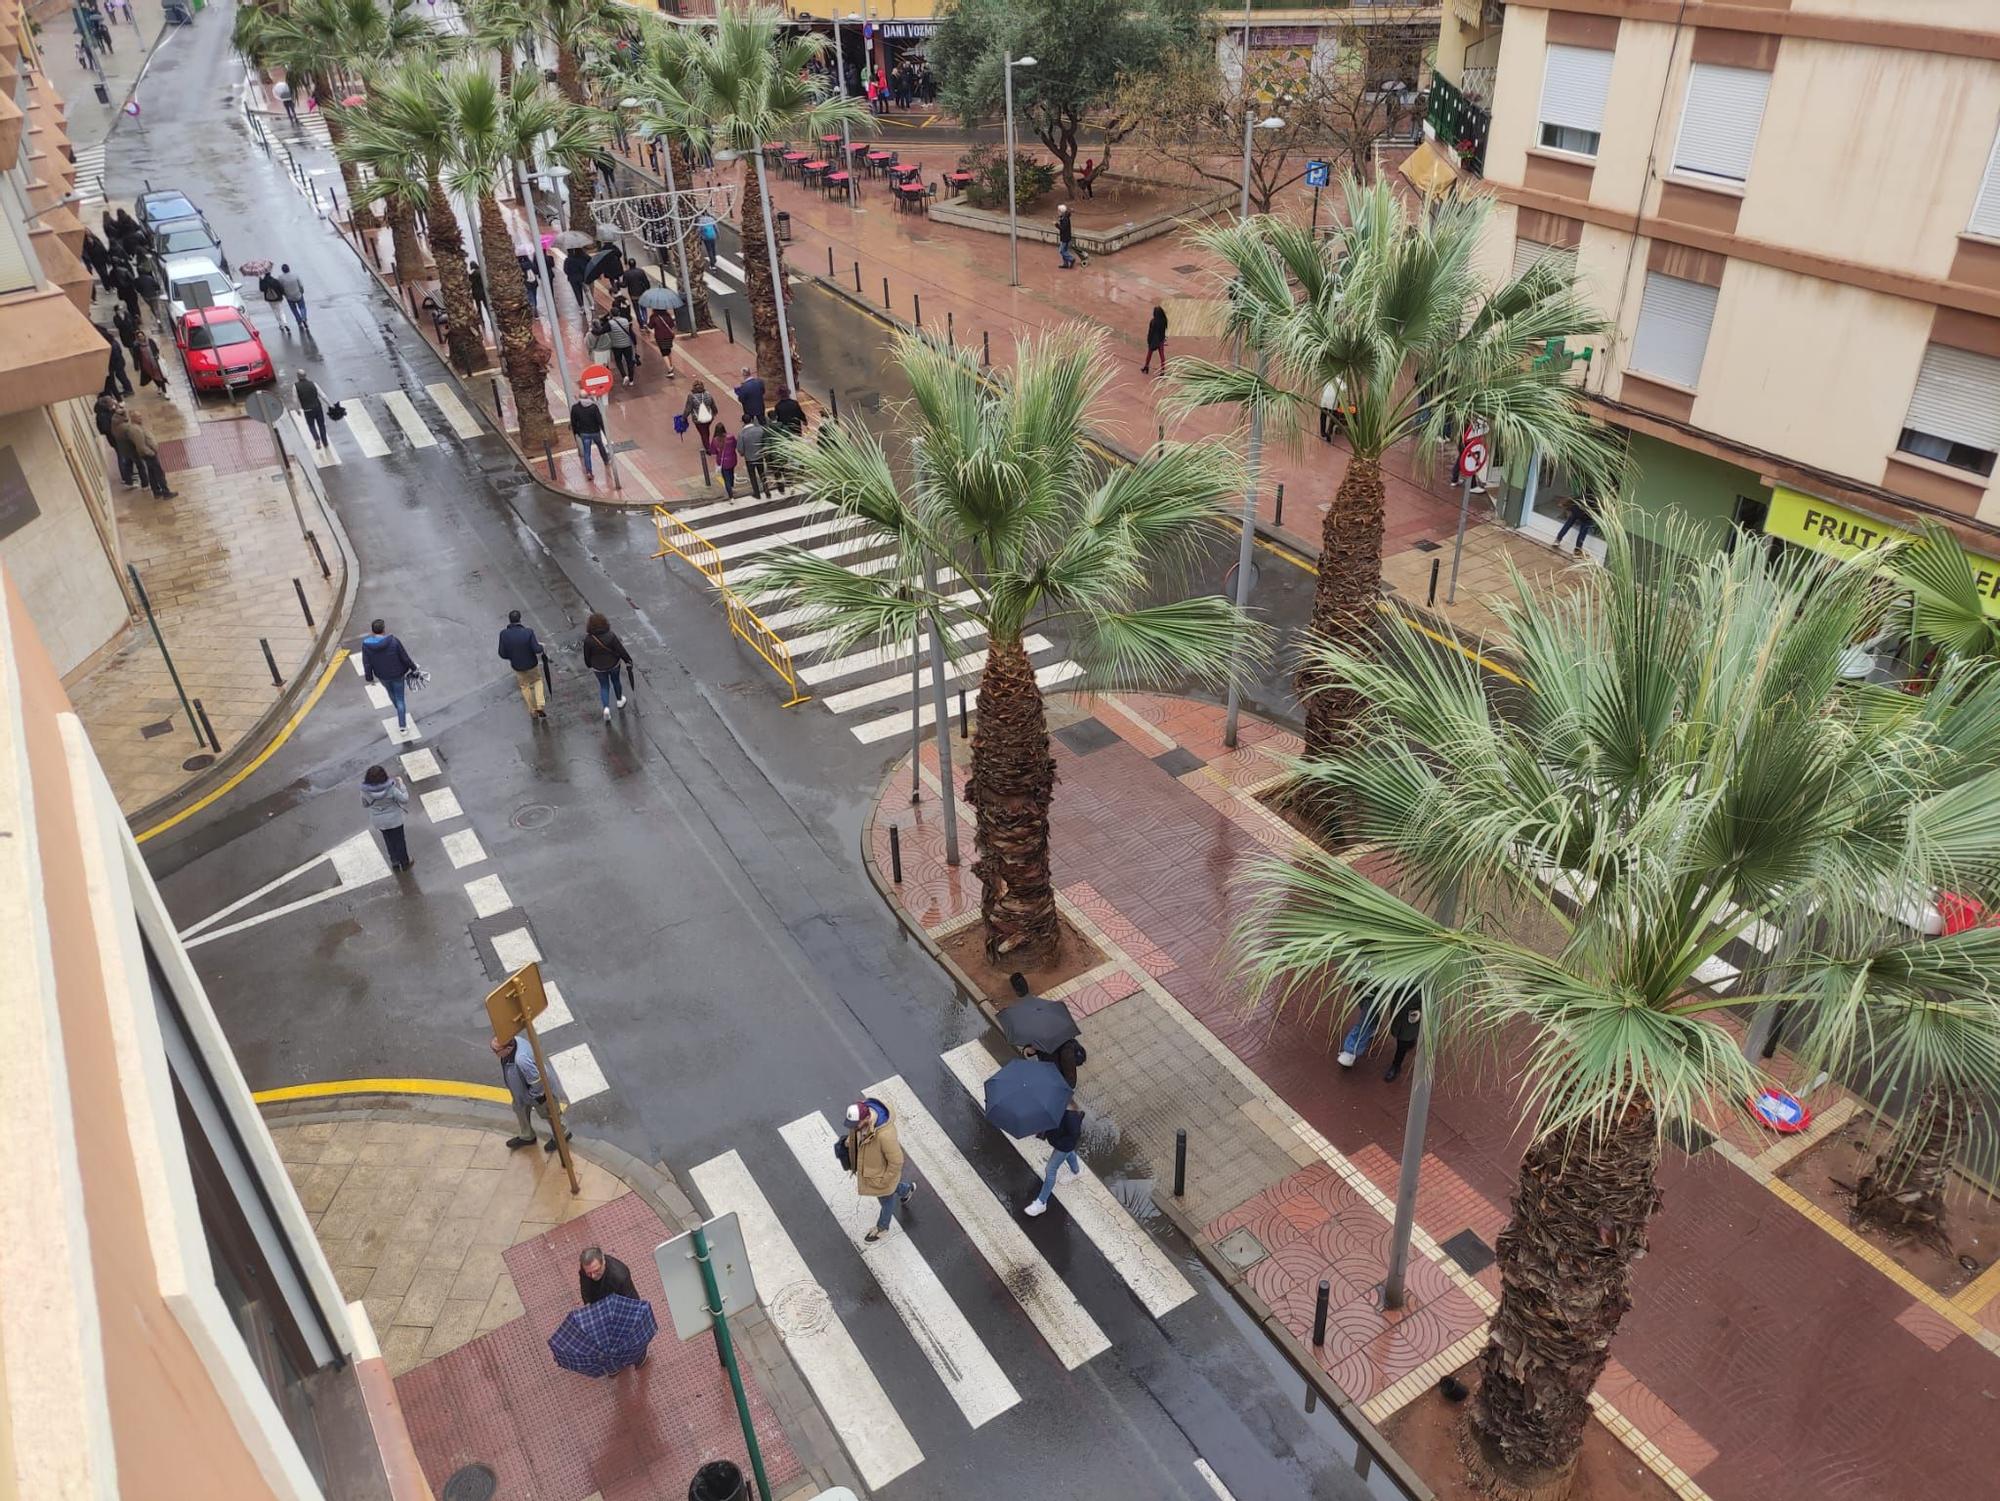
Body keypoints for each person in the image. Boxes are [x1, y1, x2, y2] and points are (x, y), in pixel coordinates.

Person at [842, 1097, 915, 1241]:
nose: (853, 1127)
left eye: (856, 1124)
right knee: (891, 1191)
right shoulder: (862, 1123)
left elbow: (897, 1161)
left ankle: (882, 1228)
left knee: (886, 1200)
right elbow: (859, 1136)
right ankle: (907, 1189)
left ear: (867, 1118)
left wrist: (884, 1180)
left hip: (881, 1176)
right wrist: (850, 1142)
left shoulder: (885, 1135)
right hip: (873, 1172)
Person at [493, 1033, 562, 1153]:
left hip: (538, 1095)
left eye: (496, 1051)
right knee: (520, 1110)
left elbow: (537, 1082)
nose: (495, 1053)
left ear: (508, 1049)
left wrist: (531, 1096)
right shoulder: (516, 1041)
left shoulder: (521, 1060)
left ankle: (562, 1134)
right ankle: (527, 1135)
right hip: (521, 1093)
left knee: (549, 1114)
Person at [359, 618, 420, 731]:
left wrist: (370, 678)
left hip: (382, 676)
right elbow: (404, 657)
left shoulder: (366, 645)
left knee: (391, 693)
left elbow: (367, 663)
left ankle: (399, 710)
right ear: (384, 630)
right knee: (400, 698)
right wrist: (414, 668)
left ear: (372, 631)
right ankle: (402, 726)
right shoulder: (393, 641)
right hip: (398, 674)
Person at [1024, 1104, 1085, 1217]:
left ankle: (1041, 1202)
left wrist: (1059, 1143)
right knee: (1069, 1153)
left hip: (1063, 1146)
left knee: (1050, 1169)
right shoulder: (1058, 1105)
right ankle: (1076, 1171)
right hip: (1062, 1145)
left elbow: (1074, 1134)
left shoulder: (1071, 1114)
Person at [499, 609, 549, 721]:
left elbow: (502, 653)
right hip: (531, 664)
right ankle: (540, 704)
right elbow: (536, 649)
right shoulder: (528, 632)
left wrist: (512, 657)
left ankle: (532, 710)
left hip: (517, 666)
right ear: (520, 619)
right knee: (537, 681)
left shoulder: (503, 634)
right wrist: (542, 646)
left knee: (524, 686)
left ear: (510, 620)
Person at [360, 765, 413, 871]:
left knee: (388, 840)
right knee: (399, 841)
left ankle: (395, 861)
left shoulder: (364, 791)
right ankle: (404, 862)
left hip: (379, 821)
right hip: (395, 820)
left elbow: (365, 804)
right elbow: (404, 799)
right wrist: (402, 785)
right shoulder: (391, 788)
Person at [114, 405, 175, 497]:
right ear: (133, 419)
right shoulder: (135, 430)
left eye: (140, 416)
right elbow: (141, 445)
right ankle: (166, 492)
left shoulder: (137, 427)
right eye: (138, 417)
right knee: (159, 473)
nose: (141, 418)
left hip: (148, 454)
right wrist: (151, 453)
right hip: (148, 455)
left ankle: (156, 491)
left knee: (152, 473)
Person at [582, 611, 632, 719]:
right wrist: (628, 660)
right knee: (616, 681)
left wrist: (589, 664)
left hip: (598, 667)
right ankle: (619, 701)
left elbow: (587, 655)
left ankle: (606, 708)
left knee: (604, 686)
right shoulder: (610, 635)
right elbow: (620, 650)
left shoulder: (588, 640)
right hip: (613, 664)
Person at [1382, 992, 1423, 1083]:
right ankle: (1410, 1039)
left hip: (1416, 999)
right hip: (1400, 996)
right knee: (1399, 1028)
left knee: (1406, 1034)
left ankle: (1396, 1064)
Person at [96, 392, 134, 486]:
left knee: (124, 455)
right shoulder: (104, 415)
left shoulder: (106, 413)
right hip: (115, 438)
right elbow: (105, 429)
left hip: (115, 437)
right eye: (111, 402)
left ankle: (129, 475)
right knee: (122, 456)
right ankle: (126, 477)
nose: (113, 402)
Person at [570, 394, 611, 480]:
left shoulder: (575, 408)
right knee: (600, 446)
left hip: (584, 433)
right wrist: (605, 432)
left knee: (587, 453)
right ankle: (606, 460)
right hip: (595, 432)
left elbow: (573, 422)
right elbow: (600, 420)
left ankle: (589, 472)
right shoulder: (593, 407)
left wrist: (576, 432)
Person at [596, 308, 637, 385]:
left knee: (618, 361)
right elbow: (630, 331)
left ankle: (624, 376)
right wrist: (634, 343)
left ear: (611, 314)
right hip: (627, 344)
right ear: (619, 313)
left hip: (616, 345)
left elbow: (601, 331)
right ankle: (631, 380)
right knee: (629, 361)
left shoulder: (610, 323)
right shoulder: (625, 320)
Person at [1554, 490, 1598, 557]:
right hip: (1587, 513)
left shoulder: (1585, 487)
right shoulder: (1597, 493)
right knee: (1583, 531)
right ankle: (1577, 551)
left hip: (1577, 509)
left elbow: (1576, 497)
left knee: (1568, 524)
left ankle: (1557, 540)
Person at [737, 417, 769, 500]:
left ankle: (757, 493)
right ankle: (767, 491)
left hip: (749, 458)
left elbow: (740, 448)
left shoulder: (742, 434)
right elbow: (765, 441)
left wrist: (742, 453)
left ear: (743, 422)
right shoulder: (760, 429)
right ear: (751, 420)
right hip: (759, 456)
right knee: (762, 474)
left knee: (752, 476)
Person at [295, 372, 328, 449]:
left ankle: (317, 439)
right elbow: (322, 395)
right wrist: (330, 404)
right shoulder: (313, 384)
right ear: (306, 375)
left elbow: (295, 399)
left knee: (311, 425)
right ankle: (325, 442)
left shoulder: (296, 386)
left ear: (298, 377)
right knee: (321, 425)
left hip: (307, 410)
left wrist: (297, 409)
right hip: (317, 408)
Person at [645, 304, 678, 377]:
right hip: (669, 336)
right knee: (668, 350)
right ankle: (671, 365)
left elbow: (650, 326)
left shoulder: (653, 317)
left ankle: (670, 370)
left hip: (660, 337)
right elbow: (672, 325)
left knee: (664, 353)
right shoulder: (667, 315)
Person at [132, 330, 169, 394]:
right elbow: (136, 357)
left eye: (142, 336)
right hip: (146, 365)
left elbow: (156, 349)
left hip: (155, 363)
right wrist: (136, 366)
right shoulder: (137, 346)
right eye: (139, 337)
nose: (141, 337)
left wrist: (157, 355)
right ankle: (159, 386)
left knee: (160, 377)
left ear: (144, 335)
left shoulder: (150, 341)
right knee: (153, 376)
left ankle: (165, 392)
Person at [684, 380, 716, 452]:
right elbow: (713, 404)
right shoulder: (708, 394)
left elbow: (688, 409)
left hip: (698, 419)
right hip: (708, 417)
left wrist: (684, 418)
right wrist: (715, 412)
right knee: (706, 430)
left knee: (703, 432)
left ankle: (707, 447)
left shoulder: (691, 396)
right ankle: (707, 442)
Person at [711, 421, 739, 499]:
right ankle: (732, 488)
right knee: (731, 474)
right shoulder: (731, 437)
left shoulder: (715, 440)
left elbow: (713, 451)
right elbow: (735, 445)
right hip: (732, 460)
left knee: (726, 478)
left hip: (723, 462)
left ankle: (731, 496)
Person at [102, 330, 133, 397]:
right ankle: (127, 389)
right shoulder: (113, 342)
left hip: (118, 363)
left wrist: (111, 364)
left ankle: (129, 390)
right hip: (119, 362)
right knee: (121, 376)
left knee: (121, 376)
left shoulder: (112, 345)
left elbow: (115, 356)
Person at [276, 264, 308, 329]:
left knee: (294, 310)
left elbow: (280, 287)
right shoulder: (295, 275)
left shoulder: (280, 278)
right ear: (289, 268)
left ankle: (299, 321)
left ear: (282, 270)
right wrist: (301, 291)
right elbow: (301, 285)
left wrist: (284, 294)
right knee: (302, 307)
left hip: (289, 297)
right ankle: (304, 318)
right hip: (298, 294)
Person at [259, 268, 290, 334]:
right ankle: (285, 323)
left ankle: (280, 324)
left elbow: (261, 289)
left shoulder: (263, 281)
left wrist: (260, 280)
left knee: (275, 311)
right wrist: (283, 294)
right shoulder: (275, 281)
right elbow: (281, 289)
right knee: (281, 311)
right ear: (270, 273)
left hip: (270, 299)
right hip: (278, 298)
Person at [1140, 305, 1167, 374]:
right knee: (1162, 356)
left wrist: (1149, 340)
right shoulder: (1164, 321)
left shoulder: (1153, 322)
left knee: (1149, 354)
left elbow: (1151, 332)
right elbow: (1163, 331)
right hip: (1161, 340)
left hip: (1153, 341)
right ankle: (1163, 370)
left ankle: (1146, 366)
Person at [1056, 204, 1076, 270]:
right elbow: (1068, 213)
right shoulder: (1065, 216)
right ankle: (1065, 264)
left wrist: (1056, 225)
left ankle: (1071, 259)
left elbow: (1063, 228)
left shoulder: (1064, 219)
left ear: (1061, 212)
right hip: (1066, 237)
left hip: (1065, 237)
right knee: (1065, 250)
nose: (1057, 212)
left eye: (1058, 211)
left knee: (1061, 251)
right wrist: (1070, 210)